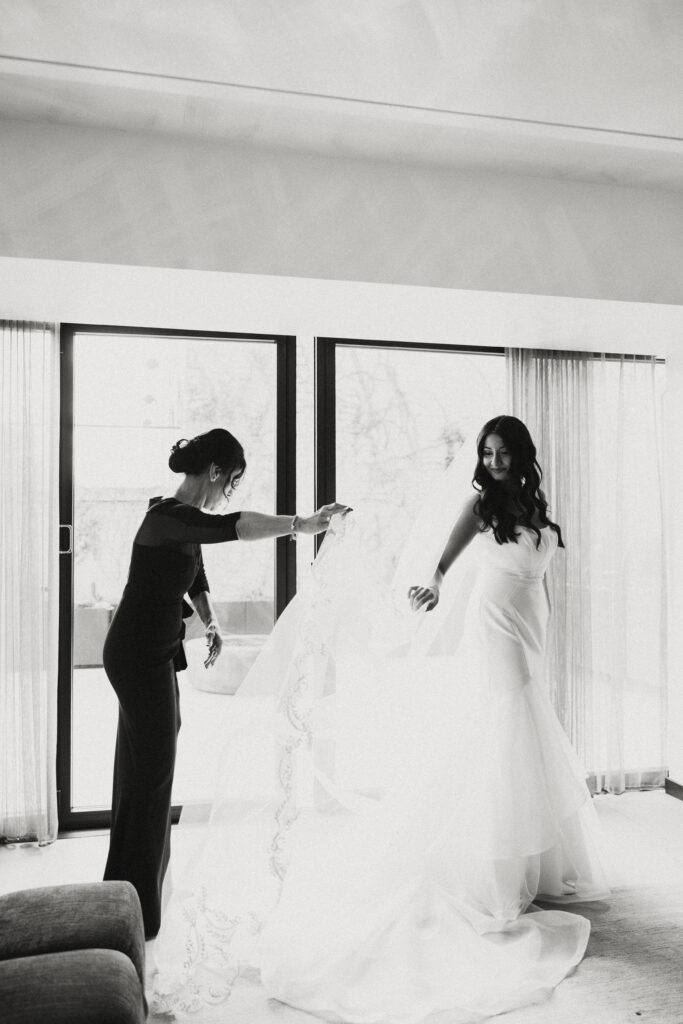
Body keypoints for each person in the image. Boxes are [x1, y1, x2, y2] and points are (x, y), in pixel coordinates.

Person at [152, 416, 609, 1022]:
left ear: (521, 455)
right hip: (494, 629)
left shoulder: (537, 508)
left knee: (528, 730)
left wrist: (546, 631)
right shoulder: (481, 506)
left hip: (530, 627)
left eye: (503, 453)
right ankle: (494, 860)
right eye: (488, 453)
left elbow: (543, 580)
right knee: (504, 732)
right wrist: (435, 587)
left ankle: (535, 858)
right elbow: (444, 565)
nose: (495, 461)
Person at [102, 427, 350, 939]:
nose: (228, 494)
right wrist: (302, 525)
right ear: (215, 471)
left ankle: (124, 895)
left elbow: (195, 575)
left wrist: (210, 622)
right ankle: (138, 911)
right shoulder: (165, 516)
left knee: (144, 771)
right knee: (150, 777)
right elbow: (232, 528)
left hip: (155, 654)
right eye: (230, 482)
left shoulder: (180, 525)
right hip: (134, 656)